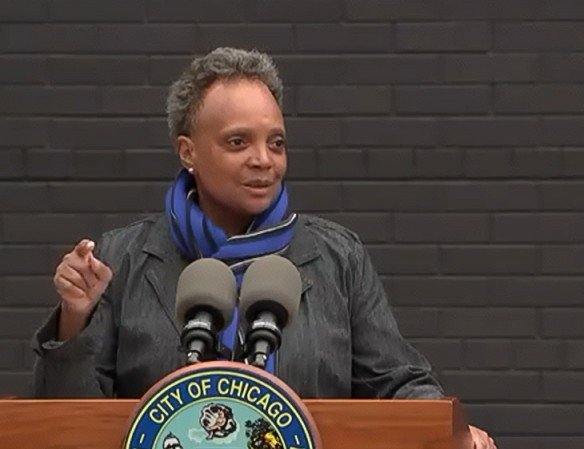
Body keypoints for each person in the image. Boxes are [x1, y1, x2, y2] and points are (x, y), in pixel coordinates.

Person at [31, 47, 496, 449]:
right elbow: (65, 422)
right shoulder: (123, 258)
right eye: (238, 142)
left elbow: (397, 381)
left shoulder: (337, 258)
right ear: (188, 151)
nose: (263, 160)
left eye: (276, 143)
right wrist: (75, 318)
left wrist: (449, 430)